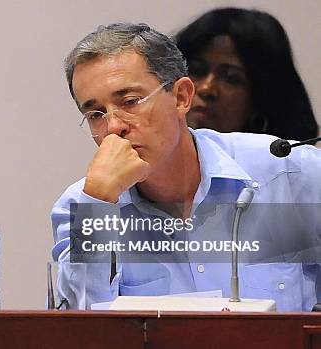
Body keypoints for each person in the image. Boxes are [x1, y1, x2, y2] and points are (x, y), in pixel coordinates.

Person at [51, 23, 321, 311]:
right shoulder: (81, 206)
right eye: (95, 114)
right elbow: (84, 327)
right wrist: (98, 204)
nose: (113, 126)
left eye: (130, 102)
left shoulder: (289, 174)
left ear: (181, 97)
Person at [175, 7, 318, 140]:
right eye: (197, 71)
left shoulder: (288, 165)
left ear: (262, 98)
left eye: (231, 78)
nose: (207, 89)